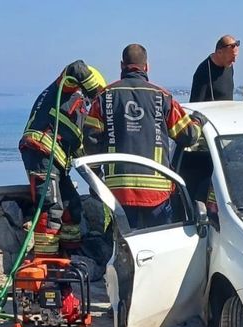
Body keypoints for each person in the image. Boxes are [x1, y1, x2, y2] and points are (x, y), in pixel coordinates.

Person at [84, 44, 201, 229]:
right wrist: (197, 122)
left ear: (122, 65)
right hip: (157, 193)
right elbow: (188, 136)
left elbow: (91, 141)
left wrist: (95, 179)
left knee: (125, 248)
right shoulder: (162, 96)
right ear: (147, 66)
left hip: (118, 192)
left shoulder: (104, 96)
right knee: (159, 247)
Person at [19, 60, 105, 256]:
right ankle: (46, 270)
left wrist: (96, 180)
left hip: (57, 163)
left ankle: (70, 262)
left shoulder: (80, 111)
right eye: (93, 97)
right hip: (40, 152)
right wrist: (99, 95)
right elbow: (76, 68)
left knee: (72, 210)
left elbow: (80, 151)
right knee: (51, 210)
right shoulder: (65, 90)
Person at [190, 35, 239, 102]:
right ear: (219, 53)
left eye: (235, 56)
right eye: (231, 57)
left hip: (228, 111)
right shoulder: (203, 72)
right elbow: (194, 105)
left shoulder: (229, 65)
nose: (234, 61)